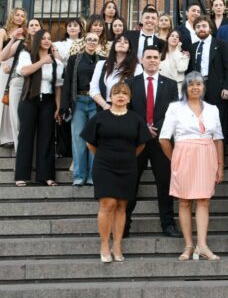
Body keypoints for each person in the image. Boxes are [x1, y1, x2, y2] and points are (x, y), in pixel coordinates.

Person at [159, 71, 225, 261]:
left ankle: (202, 245)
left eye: (198, 84)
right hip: (184, 155)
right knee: (184, 201)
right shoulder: (175, 108)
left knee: (204, 200)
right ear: (185, 88)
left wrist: (220, 166)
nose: (195, 87)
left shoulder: (212, 109)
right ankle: (188, 245)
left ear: (203, 87)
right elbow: (163, 138)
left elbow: (218, 138)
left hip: (207, 154)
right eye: (191, 84)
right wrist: (175, 159)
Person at [81, 82, 149, 263]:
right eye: (117, 92)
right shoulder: (100, 117)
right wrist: (104, 156)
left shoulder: (136, 119)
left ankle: (117, 245)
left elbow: (141, 144)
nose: (121, 95)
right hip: (104, 166)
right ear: (110, 96)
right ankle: (104, 244)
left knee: (121, 206)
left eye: (124, 93)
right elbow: (90, 142)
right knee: (108, 204)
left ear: (129, 97)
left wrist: (128, 157)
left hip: (127, 166)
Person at [124, 46, 180, 237]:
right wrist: (144, 128)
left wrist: (156, 127)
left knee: (164, 183)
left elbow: (173, 111)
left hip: (161, 139)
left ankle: (168, 224)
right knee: (132, 182)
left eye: (156, 57)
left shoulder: (171, 84)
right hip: (138, 140)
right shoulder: (131, 83)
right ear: (142, 60)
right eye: (148, 57)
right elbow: (127, 109)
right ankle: (124, 224)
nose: (152, 60)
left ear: (160, 60)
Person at [14, 29, 63, 186]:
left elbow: (57, 87)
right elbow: (24, 71)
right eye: (44, 38)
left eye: (49, 38)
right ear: (37, 40)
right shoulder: (26, 55)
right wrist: (42, 61)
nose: (47, 41)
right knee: (26, 136)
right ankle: (21, 175)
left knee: (47, 137)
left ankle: (47, 175)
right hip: (30, 99)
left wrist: (58, 107)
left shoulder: (57, 62)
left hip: (48, 101)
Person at [61, 32, 105, 186]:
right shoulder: (75, 59)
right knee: (78, 139)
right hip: (78, 101)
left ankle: (93, 176)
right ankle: (79, 175)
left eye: (95, 40)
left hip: (96, 102)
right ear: (84, 41)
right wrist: (64, 106)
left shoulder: (103, 61)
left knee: (94, 139)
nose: (92, 42)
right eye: (89, 40)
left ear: (98, 43)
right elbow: (67, 83)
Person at [189, 15, 228, 135]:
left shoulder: (222, 44)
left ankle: (219, 153)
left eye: (204, 26)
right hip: (198, 89)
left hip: (217, 89)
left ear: (210, 29)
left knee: (218, 124)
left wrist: (227, 87)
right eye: (198, 27)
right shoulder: (193, 47)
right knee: (200, 123)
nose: (201, 29)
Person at [0, 7, 26, 148]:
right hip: (6, 66)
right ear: (12, 16)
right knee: (4, 99)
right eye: (17, 15)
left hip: (20, 67)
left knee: (16, 103)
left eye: (22, 16)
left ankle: (16, 135)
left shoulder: (24, 33)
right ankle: (3, 136)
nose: (20, 18)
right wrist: (2, 64)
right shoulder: (3, 31)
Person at [90, 35, 142, 110]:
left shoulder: (137, 67)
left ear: (129, 48)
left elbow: (139, 91)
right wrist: (105, 105)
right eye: (119, 41)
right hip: (105, 108)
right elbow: (93, 89)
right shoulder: (101, 64)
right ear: (114, 45)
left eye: (126, 42)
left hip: (127, 109)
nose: (122, 43)